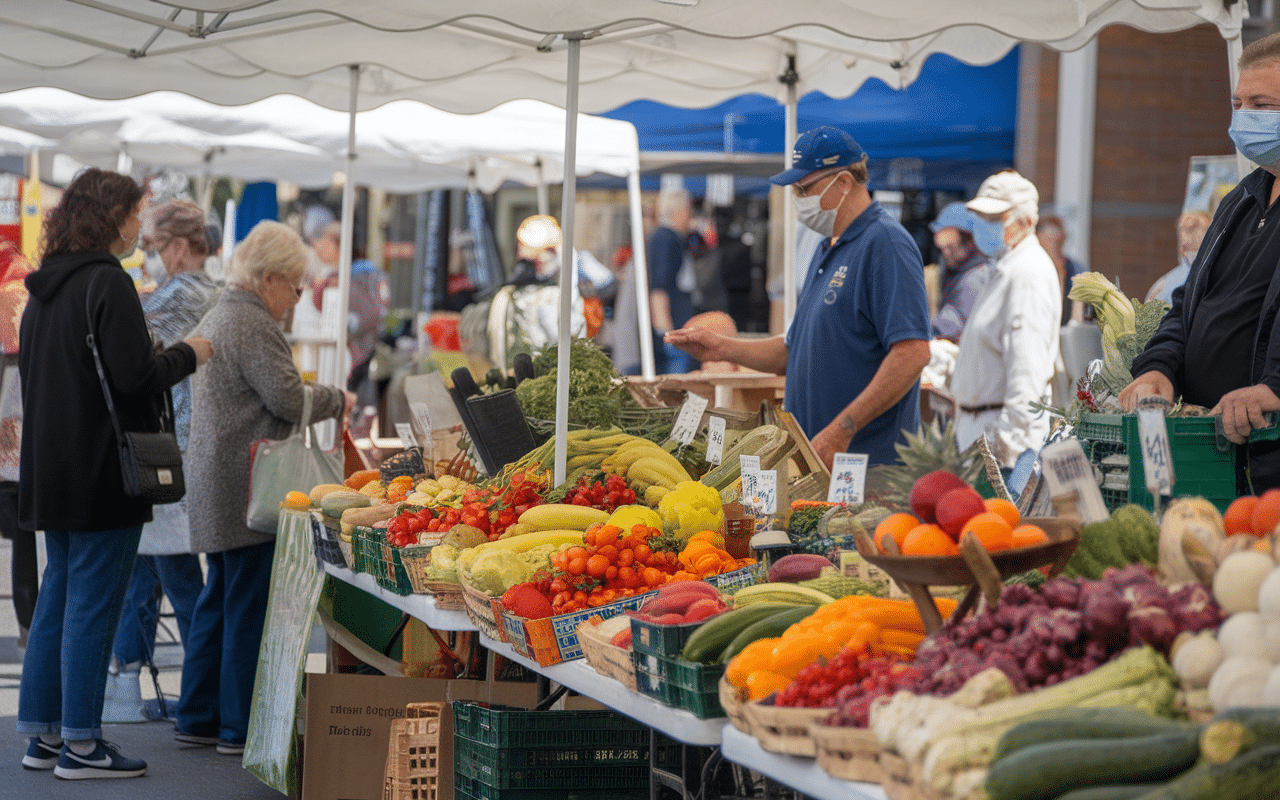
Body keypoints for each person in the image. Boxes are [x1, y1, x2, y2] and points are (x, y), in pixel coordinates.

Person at [16, 168, 213, 779]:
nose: (138, 228)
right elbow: (135, 379)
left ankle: (42, 734)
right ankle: (81, 742)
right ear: (108, 218)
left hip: (51, 470)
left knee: (59, 599)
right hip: (105, 471)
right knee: (93, 605)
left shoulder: (45, 290)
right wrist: (190, 354)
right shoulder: (108, 283)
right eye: (133, 214)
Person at [176, 220, 353, 756]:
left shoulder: (224, 312)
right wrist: (334, 398)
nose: (299, 297)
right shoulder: (250, 321)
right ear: (270, 278)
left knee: (219, 598)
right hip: (246, 483)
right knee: (247, 603)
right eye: (296, 285)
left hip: (219, 476)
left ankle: (197, 715)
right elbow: (284, 397)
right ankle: (237, 726)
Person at [665, 126, 931, 469]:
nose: (798, 198)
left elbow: (912, 353)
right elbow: (794, 350)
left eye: (805, 188)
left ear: (845, 182)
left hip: (868, 465)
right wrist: (721, 347)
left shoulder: (885, 244)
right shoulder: (827, 248)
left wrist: (842, 429)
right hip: (821, 459)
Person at [1121, 31, 1280, 491]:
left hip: (1268, 466)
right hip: (1208, 457)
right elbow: (1188, 303)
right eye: (1239, 103)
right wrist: (1159, 367)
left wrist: (1275, 389)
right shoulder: (1239, 203)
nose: (1245, 118)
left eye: (1262, 106)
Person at [104, 201, 218, 722]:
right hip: (192, 447)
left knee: (171, 572)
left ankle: (193, 688)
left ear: (177, 245)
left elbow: (129, 355)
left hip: (167, 447)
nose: (151, 258)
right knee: (148, 570)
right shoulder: (217, 294)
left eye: (153, 247)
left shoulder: (176, 297)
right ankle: (131, 679)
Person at [952, 171, 1062, 469]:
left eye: (994, 219)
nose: (984, 227)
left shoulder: (1027, 274)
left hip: (1002, 447)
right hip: (981, 433)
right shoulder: (1006, 266)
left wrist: (1008, 449)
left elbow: (1027, 370)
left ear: (1026, 221)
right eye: (981, 218)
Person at [0, 242, 35, 654]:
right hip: (21, 443)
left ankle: (29, 628)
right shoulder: (24, 295)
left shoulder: (13, 295)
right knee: (27, 537)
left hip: (11, 441)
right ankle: (30, 629)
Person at [648, 189, 698, 374]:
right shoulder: (664, 239)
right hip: (673, 333)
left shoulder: (671, 238)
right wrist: (667, 334)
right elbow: (658, 289)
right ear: (682, 212)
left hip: (677, 331)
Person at [929, 202, 990, 342]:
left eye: (950, 247)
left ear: (970, 242)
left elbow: (951, 325)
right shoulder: (958, 272)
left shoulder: (975, 278)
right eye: (941, 248)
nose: (945, 254)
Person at [1144, 210, 1212, 303]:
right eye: (1183, 229)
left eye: (1194, 227)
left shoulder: (1223, 276)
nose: (1186, 236)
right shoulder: (1163, 286)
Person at [1035, 214, 1090, 325]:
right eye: (1045, 231)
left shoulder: (1075, 269)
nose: (1051, 237)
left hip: (1065, 331)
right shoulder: (1032, 267)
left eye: (1055, 232)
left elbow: (1077, 316)